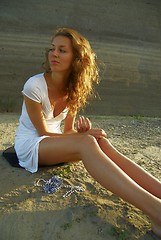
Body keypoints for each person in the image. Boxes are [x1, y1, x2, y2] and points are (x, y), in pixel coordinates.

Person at [14, 27, 161, 237]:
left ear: (76, 58)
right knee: (87, 142)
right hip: (31, 144)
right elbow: (43, 132)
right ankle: (157, 213)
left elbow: (67, 130)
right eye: (52, 48)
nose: (54, 54)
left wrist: (82, 131)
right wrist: (82, 137)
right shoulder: (34, 86)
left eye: (62, 50)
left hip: (54, 143)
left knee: (101, 142)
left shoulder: (74, 89)